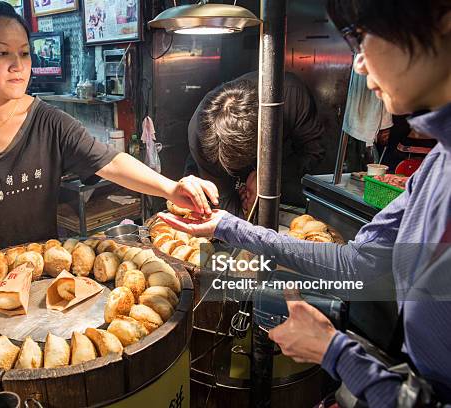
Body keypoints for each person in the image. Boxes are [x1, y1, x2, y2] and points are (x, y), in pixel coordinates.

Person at [159, 0, 451, 406]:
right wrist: (228, 226)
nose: (359, 65)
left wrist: (335, 352)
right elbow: (360, 263)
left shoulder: (290, 101)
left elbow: (317, 156)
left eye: (360, 37)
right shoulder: (438, 164)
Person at [0, 2, 218, 279]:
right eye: (1, 53)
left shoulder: (47, 121)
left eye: (24, 53)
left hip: (35, 269)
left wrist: (170, 188)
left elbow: (111, 161)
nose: (18, 65)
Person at [184, 71, 325, 214]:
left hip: (283, 169)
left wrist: (268, 178)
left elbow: (314, 154)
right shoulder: (199, 134)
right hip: (221, 178)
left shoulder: (290, 94)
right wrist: (243, 216)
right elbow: (223, 198)